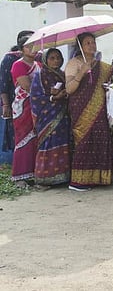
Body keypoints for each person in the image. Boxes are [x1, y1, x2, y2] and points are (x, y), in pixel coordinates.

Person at [65, 32, 113, 191]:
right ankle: (79, 182)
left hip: (99, 107)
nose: (92, 45)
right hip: (81, 110)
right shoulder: (73, 64)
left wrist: (112, 86)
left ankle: (100, 178)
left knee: (100, 138)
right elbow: (69, 89)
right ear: (80, 46)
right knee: (84, 141)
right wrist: (81, 72)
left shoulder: (101, 65)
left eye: (93, 42)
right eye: (87, 43)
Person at [30, 48, 70, 189]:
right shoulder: (40, 75)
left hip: (63, 115)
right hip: (48, 116)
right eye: (52, 58)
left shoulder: (63, 74)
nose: (56, 61)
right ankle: (44, 178)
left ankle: (62, 176)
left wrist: (65, 93)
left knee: (63, 142)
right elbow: (35, 97)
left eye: (58, 58)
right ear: (45, 60)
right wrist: (53, 97)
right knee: (48, 143)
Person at [10, 43, 41, 186]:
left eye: (35, 46)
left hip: (39, 105)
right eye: (29, 47)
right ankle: (20, 176)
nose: (33, 49)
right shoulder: (18, 65)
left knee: (37, 138)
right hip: (24, 105)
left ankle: (36, 172)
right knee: (24, 139)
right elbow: (27, 85)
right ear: (22, 49)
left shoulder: (39, 63)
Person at [1, 30, 32, 161]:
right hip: (17, 102)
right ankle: (19, 163)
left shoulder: (39, 58)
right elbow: (3, 83)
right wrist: (6, 104)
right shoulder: (10, 59)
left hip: (36, 103)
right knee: (18, 133)